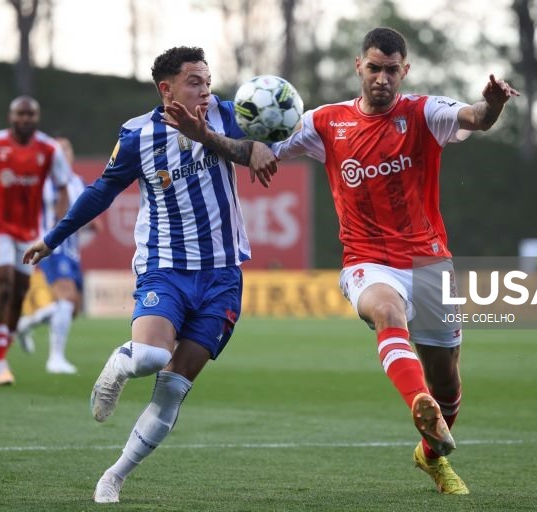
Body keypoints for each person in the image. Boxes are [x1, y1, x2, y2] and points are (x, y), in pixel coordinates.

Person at [178, 28, 519, 495]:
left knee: (449, 380)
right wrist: (207, 134)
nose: (382, 78)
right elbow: (257, 152)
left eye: (391, 70)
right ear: (359, 66)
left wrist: (494, 103)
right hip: (367, 260)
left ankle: (430, 453)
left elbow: (476, 118)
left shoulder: (424, 112)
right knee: (386, 311)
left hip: (429, 262)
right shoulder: (325, 123)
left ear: (405, 71)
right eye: (374, 68)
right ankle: (416, 399)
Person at [23, 46, 276, 503]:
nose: (205, 88)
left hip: (222, 277)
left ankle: (114, 475)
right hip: (166, 267)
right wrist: (54, 237)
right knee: (151, 358)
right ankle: (119, 364)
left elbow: (251, 146)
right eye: (194, 81)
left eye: (207, 79)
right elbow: (102, 190)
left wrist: (257, 147)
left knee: (172, 390)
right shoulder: (138, 135)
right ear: (167, 89)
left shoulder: (224, 113)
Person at [0, 96, 71, 386]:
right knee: (4, 286)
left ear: (37, 117)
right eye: (20, 114)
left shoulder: (48, 149)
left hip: (29, 232)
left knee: (20, 292)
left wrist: (55, 225)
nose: (25, 119)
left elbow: (63, 189)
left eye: (30, 115)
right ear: (11, 117)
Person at [16, 136, 100, 374]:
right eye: (58, 150)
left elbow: (88, 213)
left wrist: (93, 222)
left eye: (67, 149)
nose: (63, 154)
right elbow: (57, 213)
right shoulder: (48, 181)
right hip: (52, 247)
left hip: (72, 250)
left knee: (72, 308)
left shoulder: (78, 182)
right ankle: (55, 359)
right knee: (65, 300)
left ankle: (26, 323)